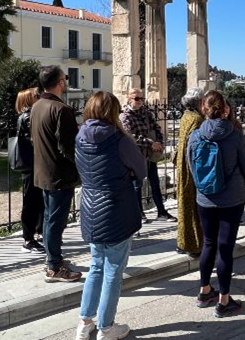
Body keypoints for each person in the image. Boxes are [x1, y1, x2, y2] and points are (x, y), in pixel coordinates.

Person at [74, 91, 147, 340]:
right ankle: (106, 326)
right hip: (116, 207)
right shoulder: (119, 139)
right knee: (113, 270)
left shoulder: (79, 137)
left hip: (91, 207)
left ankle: (85, 322)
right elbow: (141, 168)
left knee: (95, 266)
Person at [187, 90, 245, 318]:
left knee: (208, 243)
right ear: (224, 108)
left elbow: (190, 166)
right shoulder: (235, 135)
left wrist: (204, 187)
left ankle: (205, 291)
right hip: (231, 198)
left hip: (205, 198)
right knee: (225, 249)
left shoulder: (195, 136)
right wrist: (235, 183)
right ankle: (224, 300)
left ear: (203, 108)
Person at [30, 65, 81, 282]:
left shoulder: (37, 106)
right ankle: (53, 266)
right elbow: (69, 148)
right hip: (60, 174)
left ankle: (54, 259)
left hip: (44, 172)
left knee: (51, 218)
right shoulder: (61, 110)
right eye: (66, 78)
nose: (66, 81)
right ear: (60, 82)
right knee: (55, 221)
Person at [120, 88, 177, 223]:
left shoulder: (146, 113)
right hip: (136, 155)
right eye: (137, 99)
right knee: (137, 185)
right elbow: (130, 136)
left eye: (142, 98)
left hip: (150, 155)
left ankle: (161, 211)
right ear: (129, 99)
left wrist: (159, 141)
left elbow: (157, 128)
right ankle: (139, 213)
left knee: (155, 183)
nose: (140, 101)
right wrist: (151, 143)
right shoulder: (125, 116)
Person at [174, 87, 205, 257]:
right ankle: (194, 245)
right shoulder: (198, 120)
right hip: (192, 168)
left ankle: (182, 242)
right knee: (193, 207)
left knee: (184, 206)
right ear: (200, 102)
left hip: (182, 166)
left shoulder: (186, 116)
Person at [14, 87, 45, 254]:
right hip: (31, 164)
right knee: (31, 201)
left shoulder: (30, 115)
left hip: (36, 163)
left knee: (39, 199)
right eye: (36, 96)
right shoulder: (28, 117)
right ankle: (28, 238)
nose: (40, 97)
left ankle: (38, 232)